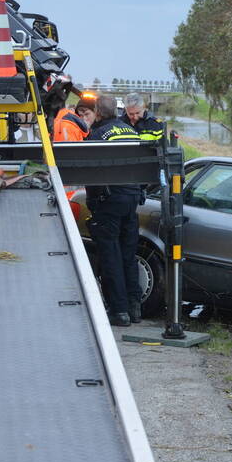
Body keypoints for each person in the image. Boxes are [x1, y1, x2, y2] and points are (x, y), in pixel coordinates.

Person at [85, 94, 144, 326]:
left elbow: (88, 170)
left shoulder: (98, 135)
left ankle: (119, 311)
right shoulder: (131, 130)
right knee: (128, 255)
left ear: (98, 113)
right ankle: (134, 306)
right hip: (132, 200)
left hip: (109, 203)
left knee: (111, 256)